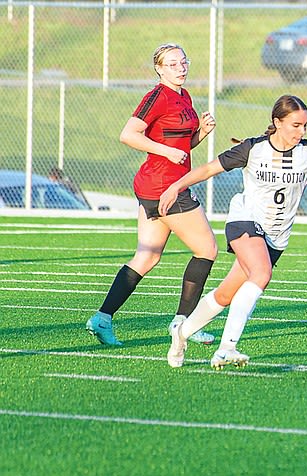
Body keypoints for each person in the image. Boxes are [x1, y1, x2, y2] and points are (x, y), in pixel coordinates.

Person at [159, 94, 307, 369]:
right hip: (245, 221)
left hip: (276, 236)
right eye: (296, 125)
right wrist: (176, 187)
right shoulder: (254, 149)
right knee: (261, 274)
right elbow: (209, 169)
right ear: (277, 122)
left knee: (225, 295)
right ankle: (227, 348)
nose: (302, 131)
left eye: (305, 125)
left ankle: (182, 333)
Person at [86, 43, 218, 346]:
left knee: (146, 257)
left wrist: (201, 134)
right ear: (159, 68)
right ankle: (184, 325)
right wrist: (166, 151)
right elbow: (128, 134)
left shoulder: (184, 96)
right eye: (172, 64)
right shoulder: (156, 96)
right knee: (207, 249)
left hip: (163, 183)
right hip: (164, 186)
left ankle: (102, 319)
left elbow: (181, 150)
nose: (181, 68)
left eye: (184, 62)